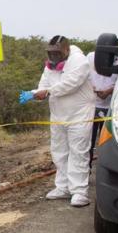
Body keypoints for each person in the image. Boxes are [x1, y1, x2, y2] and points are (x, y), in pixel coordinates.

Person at [32, 35, 94, 207]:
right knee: (59, 151)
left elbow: (70, 84)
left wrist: (47, 91)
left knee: (78, 151)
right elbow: (43, 84)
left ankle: (79, 191)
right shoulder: (50, 66)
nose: (53, 57)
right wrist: (37, 93)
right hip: (58, 114)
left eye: (56, 53)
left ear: (66, 50)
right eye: (50, 53)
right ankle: (63, 187)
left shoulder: (79, 61)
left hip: (79, 115)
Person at [87, 51, 118, 165]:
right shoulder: (90, 57)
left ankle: (106, 167)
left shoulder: (116, 60)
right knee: (88, 141)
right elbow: (83, 78)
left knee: (106, 140)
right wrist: (94, 90)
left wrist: (108, 91)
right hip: (92, 106)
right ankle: (86, 169)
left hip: (110, 108)